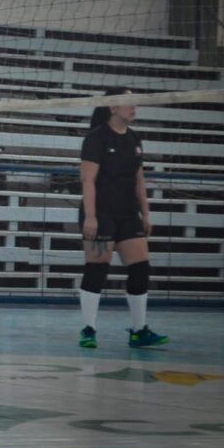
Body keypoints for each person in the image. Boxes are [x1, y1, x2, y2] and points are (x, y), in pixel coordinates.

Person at [78, 88, 168, 349]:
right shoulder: (96, 138)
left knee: (140, 268)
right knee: (97, 269)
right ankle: (88, 329)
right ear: (112, 108)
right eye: (128, 102)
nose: (134, 106)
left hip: (128, 214)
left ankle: (139, 331)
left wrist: (146, 212)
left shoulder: (134, 139)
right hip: (101, 213)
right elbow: (88, 180)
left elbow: (139, 180)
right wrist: (91, 216)